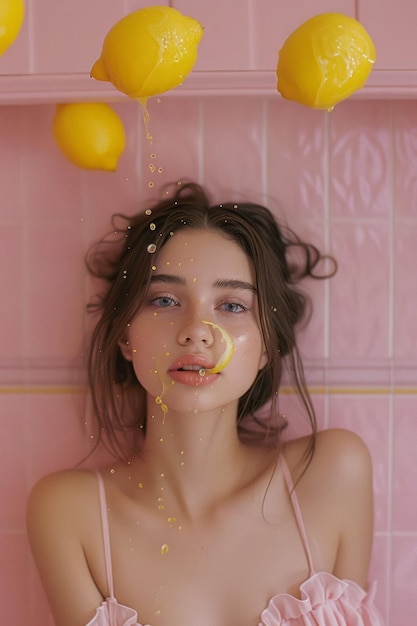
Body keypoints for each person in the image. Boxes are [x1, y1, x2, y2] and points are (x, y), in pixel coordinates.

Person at [27, 182, 384, 626]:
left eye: (232, 305)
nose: (197, 330)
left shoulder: (332, 473)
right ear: (125, 336)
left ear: (268, 346)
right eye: (164, 300)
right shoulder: (68, 512)